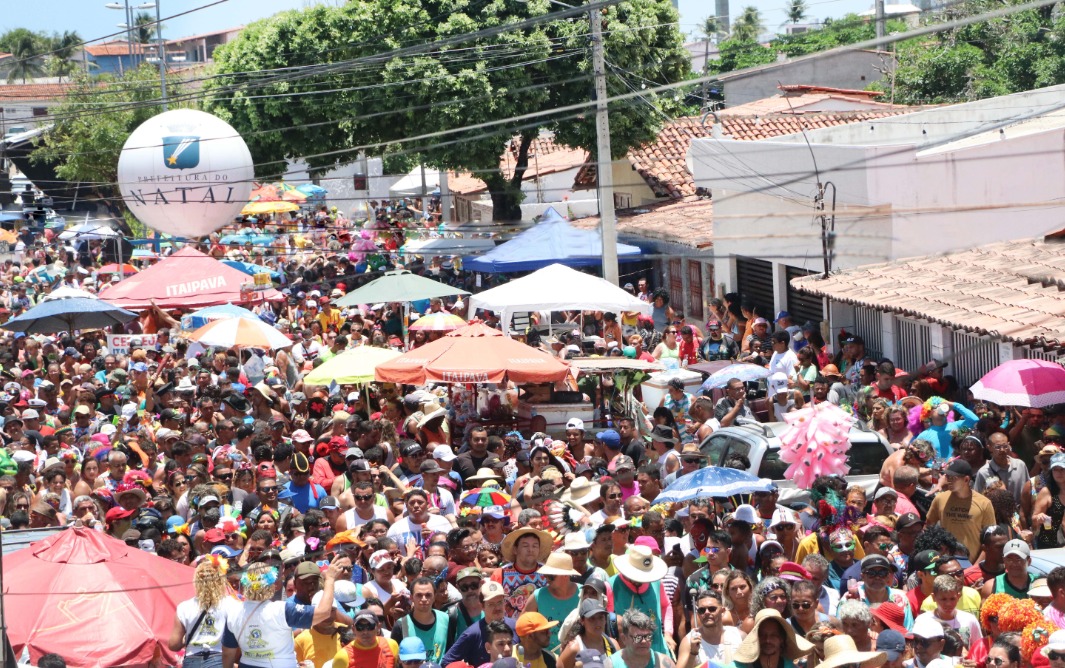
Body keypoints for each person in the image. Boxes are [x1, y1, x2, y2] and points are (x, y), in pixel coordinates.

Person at [221, 556, 347, 668]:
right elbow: (324, 612)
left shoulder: (233, 612)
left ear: (244, 584)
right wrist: (329, 579)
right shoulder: (282, 610)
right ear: (272, 584)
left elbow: (228, 654)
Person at [169, 555, 240, 668]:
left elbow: (173, 645)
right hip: (220, 659)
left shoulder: (184, 607)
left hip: (192, 661)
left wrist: (186, 639)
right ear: (221, 579)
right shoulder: (233, 605)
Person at [925, 459, 996, 561]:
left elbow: (990, 539)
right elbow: (928, 527)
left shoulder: (984, 503)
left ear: (966, 480)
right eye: (947, 476)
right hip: (945, 563)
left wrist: (976, 566)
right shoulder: (940, 499)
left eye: (953, 477)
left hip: (972, 564)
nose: (948, 480)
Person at [675, 589, 744, 667]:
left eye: (712, 609)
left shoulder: (739, 636)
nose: (707, 612)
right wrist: (693, 653)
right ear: (698, 614)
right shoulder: (689, 641)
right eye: (702, 610)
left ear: (722, 611)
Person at [725, 608, 813, 668]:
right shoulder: (739, 666)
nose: (768, 640)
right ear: (756, 638)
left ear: (781, 639)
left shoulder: (790, 666)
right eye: (763, 635)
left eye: (773, 635)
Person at [390, 577, 449, 664]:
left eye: (428, 595)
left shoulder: (446, 619)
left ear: (434, 597)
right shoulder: (402, 625)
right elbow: (396, 660)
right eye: (419, 595)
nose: (424, 599)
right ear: (411, 597)